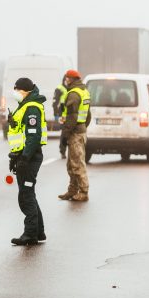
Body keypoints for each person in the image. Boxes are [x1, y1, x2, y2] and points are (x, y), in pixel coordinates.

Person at [7, 77, 47, 246]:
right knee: (28, 193)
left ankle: (30, 234)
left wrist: (24, 157)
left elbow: (33, 136)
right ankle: (39, 231)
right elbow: (22, 133)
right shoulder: (25, 106)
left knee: (26, 195)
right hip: (24, 156)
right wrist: (15, 156)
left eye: (17, 90)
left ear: (25, 91)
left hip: (29, 157)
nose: (15, 93)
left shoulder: (31, 107)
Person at [58, 69, 91, 201]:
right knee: (72, 164)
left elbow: (71, 118)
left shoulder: (73, 94)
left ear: (70, 79)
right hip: (80, 131)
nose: (65, 81)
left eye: (67, 79)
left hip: (74, 132)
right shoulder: (84, 91)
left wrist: (65, 134)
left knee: (77, 164)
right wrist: (83, 127)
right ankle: (72, 190)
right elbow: (88, 114)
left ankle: (83, 192)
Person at [53, 82, 68, 159]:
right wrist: (56, 113)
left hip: (72, 113)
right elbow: (55, 102)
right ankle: (63, 151)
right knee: (64, 133)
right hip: (62, 114)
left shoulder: (72, 88)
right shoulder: (60, 88)